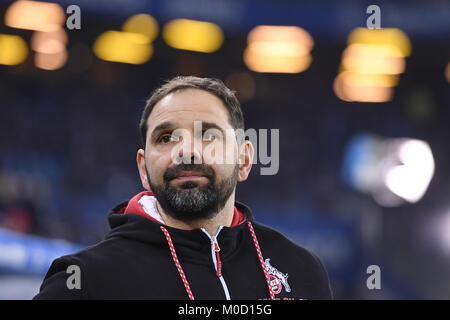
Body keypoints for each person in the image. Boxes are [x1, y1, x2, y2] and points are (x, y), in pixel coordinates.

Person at [34, 76, 333, 300]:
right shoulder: (83, 281)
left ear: (244, 160)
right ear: (143, 167)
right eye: (166, 138)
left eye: (208, 135)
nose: (187, 151)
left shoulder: (303, 270)